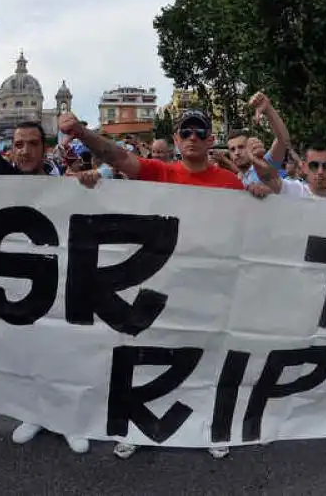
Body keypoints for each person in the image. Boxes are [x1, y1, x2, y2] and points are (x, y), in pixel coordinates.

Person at [60, 107, 244, 459]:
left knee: (207, 354)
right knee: (146, 352)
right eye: (184, 132)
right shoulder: (160, 172)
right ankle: (134, 425)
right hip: (160, 281)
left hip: (208, 283)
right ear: (175, 139)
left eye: (198, 132)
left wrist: (266, 192)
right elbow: (118, 157)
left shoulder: (229, 183)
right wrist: (82, 133)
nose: (191, 138)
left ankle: (211, 425)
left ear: (209, 139)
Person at [0, 72, 88, 454]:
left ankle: (70, 418)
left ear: (44, 147)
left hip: (61, 280)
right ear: (12, 149)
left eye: (33, 143)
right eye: (19, 144)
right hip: (18, 280)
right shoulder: (2, 175)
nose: (26, 150)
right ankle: (35, 412)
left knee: (64, 349)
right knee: (29, 351)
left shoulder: (65, 181)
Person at [226, 93, 291, 187]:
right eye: (232, 149)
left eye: (241, 147)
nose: (237, 153)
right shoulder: (234, 180)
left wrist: (268, 110)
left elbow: (283, 140)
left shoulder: (264, 165)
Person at [251, 142, 326, 204]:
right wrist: (257, 162)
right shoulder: (292, 190)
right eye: (314, 166)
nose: (320, 171)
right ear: (305, 167)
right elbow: (267, 178)